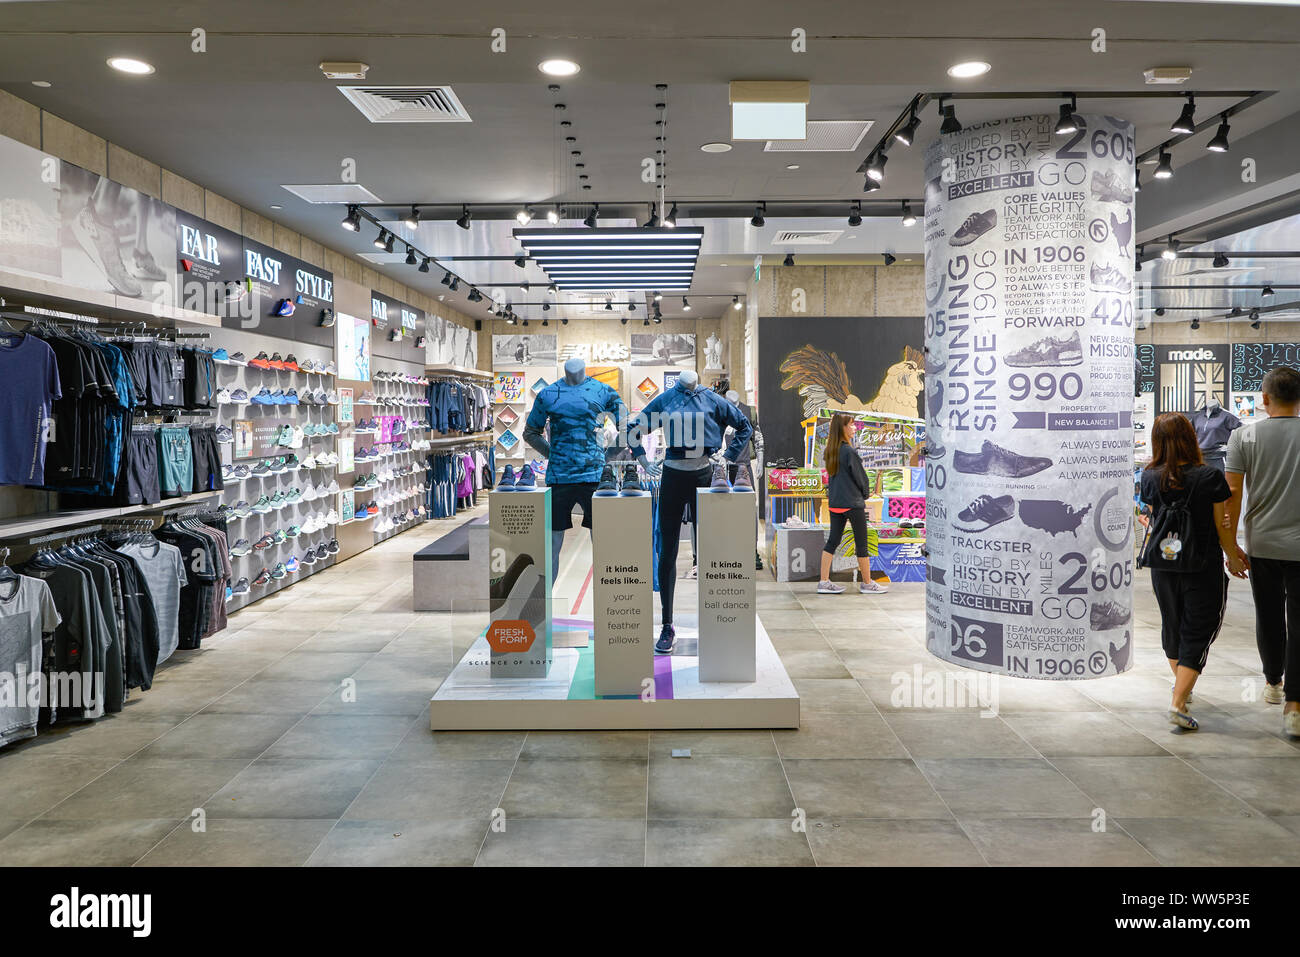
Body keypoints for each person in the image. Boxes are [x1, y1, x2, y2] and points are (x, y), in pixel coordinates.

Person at [1140, 412, 1241, 731]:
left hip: (1163, 565)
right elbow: (1220, 525)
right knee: (1200, 627)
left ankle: (1181, 689)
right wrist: (1233, 555)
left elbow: (1153, 518)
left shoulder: (1149, 476)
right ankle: (1179, 701)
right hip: (1202, 565)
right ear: (1191, 437)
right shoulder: (1209, 476)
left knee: (1172, 626)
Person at [1224, 365, 1300, 738]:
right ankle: (1296, 704)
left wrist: (1230, 546)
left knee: (1269, 614)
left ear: (1265, 399)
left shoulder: (1244, 436)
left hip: (1262, 543)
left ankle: (1273, 681)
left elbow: (1232, 497)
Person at [818, 412, 888, 595]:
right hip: (852, 503)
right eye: (852, 424)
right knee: (862, 543)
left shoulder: (830, 451)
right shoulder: (849, 452)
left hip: (835, 503)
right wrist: (865, 494)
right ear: (843, 428)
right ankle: (867, 583)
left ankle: (823, 581)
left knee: (832, 541)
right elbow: (861, 478)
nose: (855, 428)